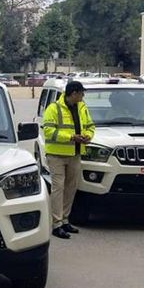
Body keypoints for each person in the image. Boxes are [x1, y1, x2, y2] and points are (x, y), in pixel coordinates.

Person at [41, 81, 95, 239]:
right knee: (58, 188)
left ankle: (65, 220)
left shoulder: (82, 107)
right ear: (73, 93)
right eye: (81, 93)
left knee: (71, 188)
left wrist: (88, 137)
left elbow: (91, 126)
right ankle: (56, 224)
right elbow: (49, 131)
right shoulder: (54, 108)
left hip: (75, 154)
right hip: (56, 155)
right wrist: (71, 137)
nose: (83, 96)